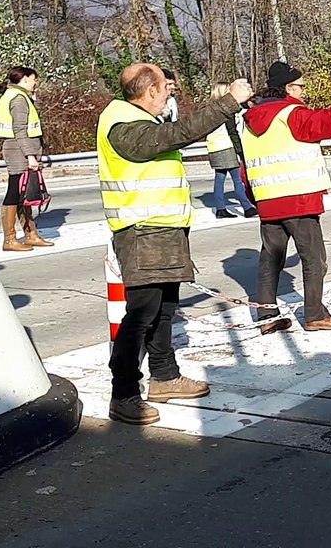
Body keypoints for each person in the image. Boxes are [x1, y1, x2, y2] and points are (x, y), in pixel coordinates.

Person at [98, 63, 253, 424]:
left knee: (165, 310)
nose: (170, 92)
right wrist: (228, 101)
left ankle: (165, 377)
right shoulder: (123, 124)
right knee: (141, 316)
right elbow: (180, 134)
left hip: (162, 231)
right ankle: (123, 394)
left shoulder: (140, 120)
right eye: (165, 87)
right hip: (142, 233)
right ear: (149, 92)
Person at [241, 61, 331, 336]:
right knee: (314, 258)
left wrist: (256, 198)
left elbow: (246, 168)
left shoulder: (250, 118)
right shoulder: (292, 114)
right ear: (288, 87)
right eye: (301, 86)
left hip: (268, 200)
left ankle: (266, 314)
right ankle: (314, 315)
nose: (304, 91)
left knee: (270, 259)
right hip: (298, 199)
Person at [0, 67, 51, 251]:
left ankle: (31, 234)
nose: (36, 83)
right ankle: (10, 239)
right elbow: (20, 130)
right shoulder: (18, 99)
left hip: (19, 148)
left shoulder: (15, 96)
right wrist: (30, 156)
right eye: (34, 79)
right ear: (25, 79)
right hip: (18, 150)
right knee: (14, 192)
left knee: (23, 193)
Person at [205, 82, 258, 219]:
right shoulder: (226, 110)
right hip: (227, 146)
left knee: (219, 178)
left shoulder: (210, 109)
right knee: (237, 178)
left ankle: (220, 208)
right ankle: (246, 207)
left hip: (214, 146)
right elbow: (232, 132)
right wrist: (240, 150)